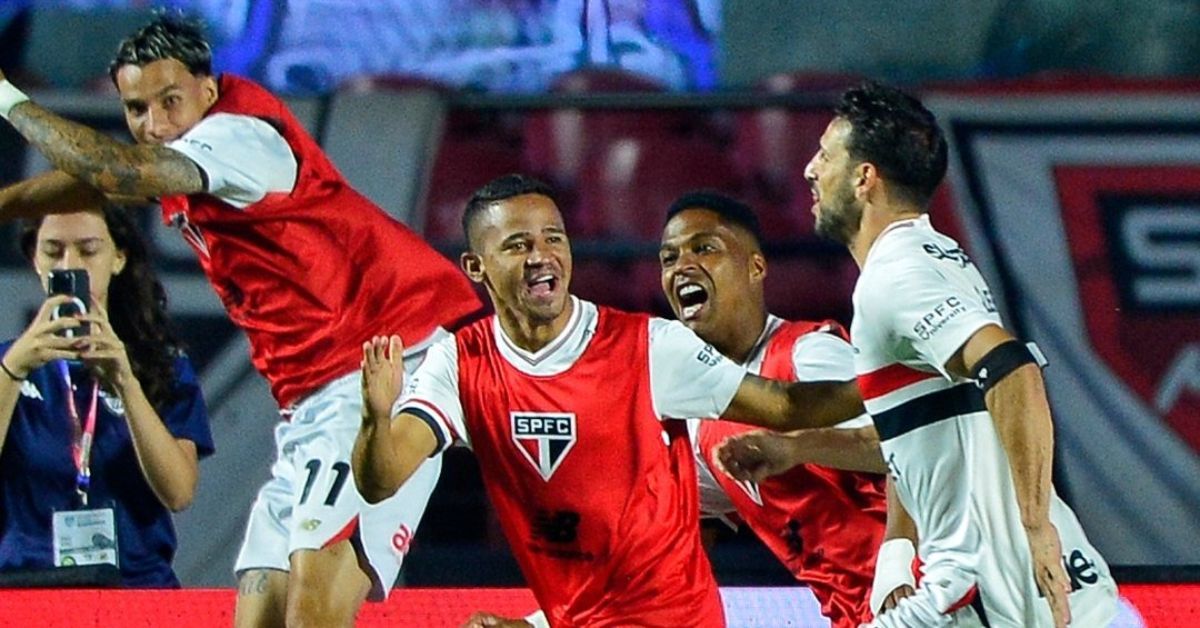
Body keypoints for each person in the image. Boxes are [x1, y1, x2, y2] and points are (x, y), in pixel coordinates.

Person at [0, 15, 483, 627]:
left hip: (384, 366)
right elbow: (87, 183)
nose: (155, 123)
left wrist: (6, 97)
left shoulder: (236, 138)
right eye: (137, 109)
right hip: (313, 402)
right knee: (259, 611)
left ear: (208, 88)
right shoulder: (188, 152)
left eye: (170, 101)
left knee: (314, 607)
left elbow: (114, 172)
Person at [354, 174, 866, 628]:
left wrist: (893, 379)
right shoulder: (460, 363)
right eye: (517, 244)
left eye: (553, 238)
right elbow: (381, 480)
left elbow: (798, 411)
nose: (540, 255)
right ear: (475, 265)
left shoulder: (655, 348)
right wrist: (376, 417)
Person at [796, 81, 1117, 627]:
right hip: (1020, 585)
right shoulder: (937, 254)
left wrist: (1035, 526)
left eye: (826, 154)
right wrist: (897, 551)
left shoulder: (898, 275)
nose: (810, 169)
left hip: (992, 592)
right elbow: (921, 431)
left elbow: (1012, 368)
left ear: (864, 177)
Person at [0, 204, 213, 587]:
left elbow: (179, 493)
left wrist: (126, 383)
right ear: (34, 259)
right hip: (27, 589)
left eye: (88, 250)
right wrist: (14, 368)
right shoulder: (7, 363)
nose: (70, 265)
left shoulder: (162, 366)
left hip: (135, 588)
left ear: (118, 258)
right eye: (53, 251)